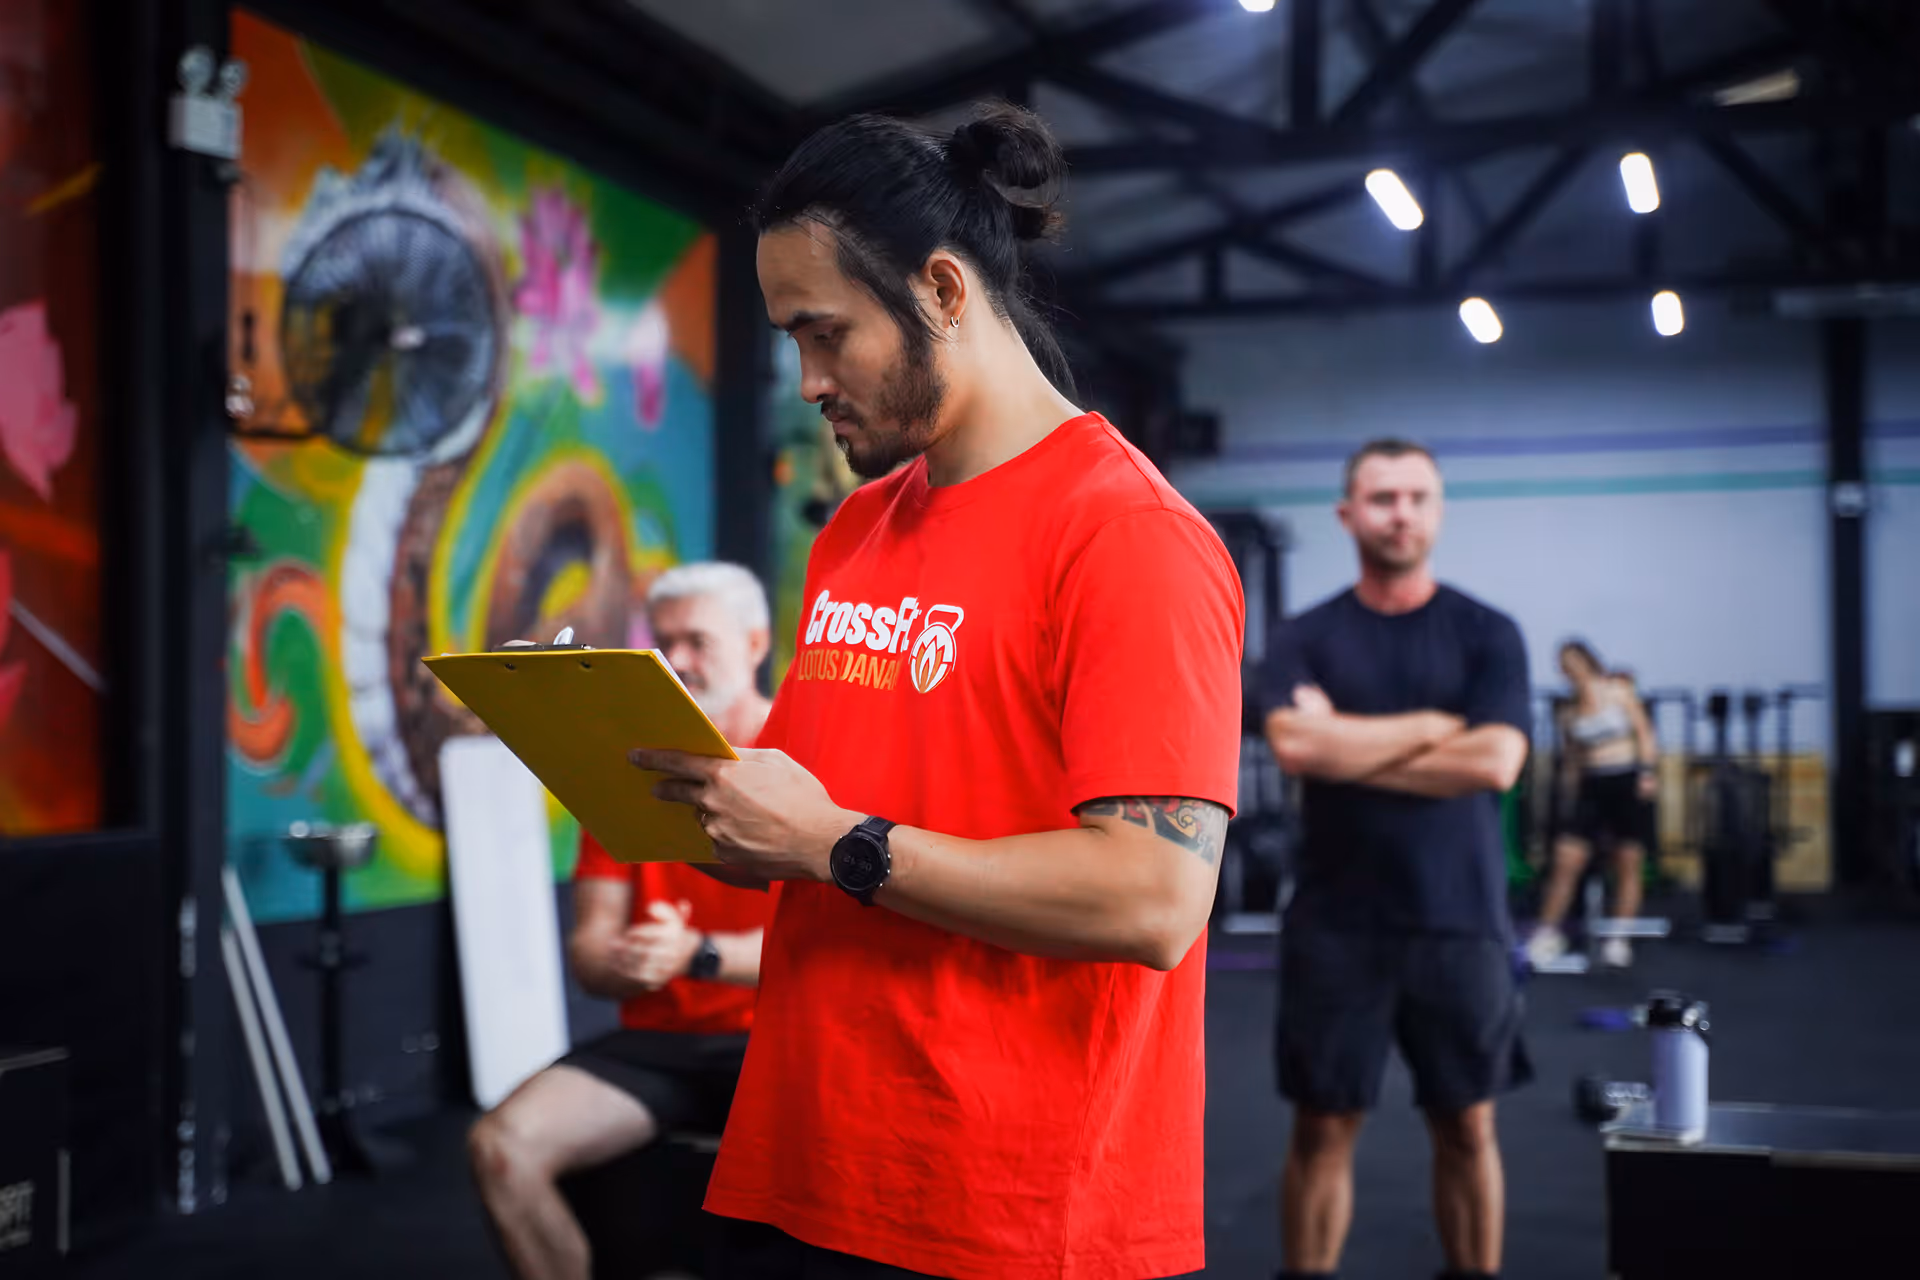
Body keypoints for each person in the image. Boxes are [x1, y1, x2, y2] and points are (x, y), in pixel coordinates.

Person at [631, 103, 1244, 1280]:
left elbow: (1155, 895)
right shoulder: (858, 527)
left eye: (826, 333)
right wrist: (667, 782)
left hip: (1006, 1204)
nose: (808, 381)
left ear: (945, 290)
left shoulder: (1128, 535)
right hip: (809, 1156)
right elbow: (804, 815)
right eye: (788, 342)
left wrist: (833, 845)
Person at [1260, 439, 1532, 1280]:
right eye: (1382, 498)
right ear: (1348, 515)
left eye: (1416, 497)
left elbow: (1496, 763)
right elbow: (1297, 747)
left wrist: (1348, 739)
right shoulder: (1304, 637)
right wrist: (1432, 726)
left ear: (1438, 510)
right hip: (1338, 925)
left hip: (1461, 920)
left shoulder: (1489, 632)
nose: (1401, 513)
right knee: (1323, 1123)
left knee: (1468, 1123)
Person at [469, 562, 779, 1280]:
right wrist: (630, 960)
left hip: (778, 1040)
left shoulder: (802, 761)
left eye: (698, 641)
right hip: (662, 1042)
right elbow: (589, 953)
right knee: (500, 1148)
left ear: (757, 642)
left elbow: (845, 932)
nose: (680, 662)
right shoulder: (627, 776)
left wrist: (696, 952)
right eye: (665, 643)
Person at [1525, 641, 1660, 970]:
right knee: (1566, 860)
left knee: (1627, 860)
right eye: (1562, 665)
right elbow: (1572, 758)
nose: (1568, 669)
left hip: (1626, 779)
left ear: (1587, 661)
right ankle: (1546, 934)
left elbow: (1644, 733)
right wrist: (1568, 796)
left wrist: (1647, 772)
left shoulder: (1617, 691)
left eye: (1572, 662)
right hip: (1591, 785)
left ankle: (1619, 938)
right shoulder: (1568, 709)